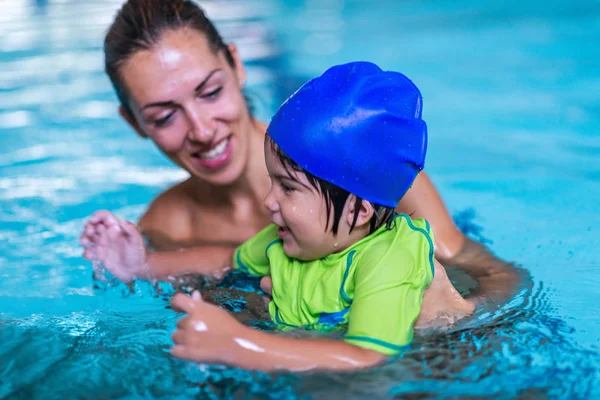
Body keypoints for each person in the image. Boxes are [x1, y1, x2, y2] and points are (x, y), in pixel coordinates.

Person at [81, 0, 522, 312]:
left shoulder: (363, 172)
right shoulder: (168, 227)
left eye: (210, 92)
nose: (202, 130)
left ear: (236, 64)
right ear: (134, 123)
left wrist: (455, 319)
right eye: (163, 116)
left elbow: (499, 281)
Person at [86, 61, 475, 371]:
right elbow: (225, 260)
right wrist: (142, 264)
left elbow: (369, 359)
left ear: (358, 210)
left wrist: (240, 345)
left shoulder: (388, 260)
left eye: (287, 188)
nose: (269, 201)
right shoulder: (293, 238)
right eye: (272, 182)